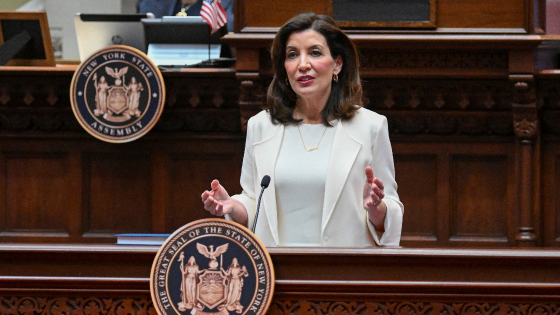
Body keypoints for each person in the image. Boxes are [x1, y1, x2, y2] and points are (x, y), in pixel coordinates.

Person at [201, 12, 403, 247]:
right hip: (278, 272)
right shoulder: (261, 126)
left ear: (337, 63)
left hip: (345, 272)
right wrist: (233, 206)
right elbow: (254, 202)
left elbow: (390, 209)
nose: (302, 64)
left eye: (315, 53)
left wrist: (377, 209)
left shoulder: (370, 127)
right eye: (292, 55)